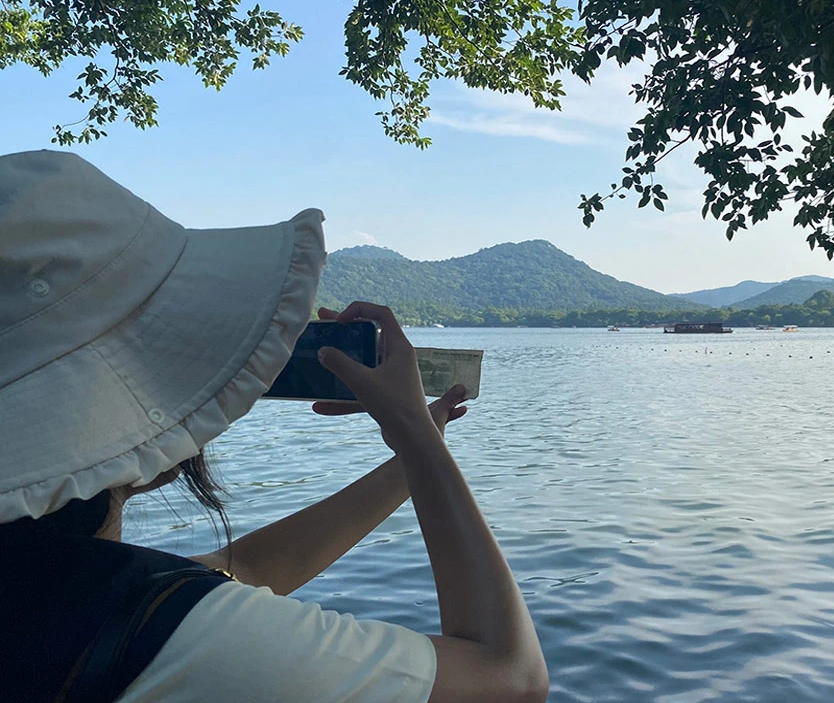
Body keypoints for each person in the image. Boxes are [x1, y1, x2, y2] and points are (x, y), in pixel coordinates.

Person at [0, 150, 548, 703]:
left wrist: (414, 455)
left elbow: (252, 568)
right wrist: (416, 438)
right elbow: (511, 678)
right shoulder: (177, 639)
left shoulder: (46, 582)